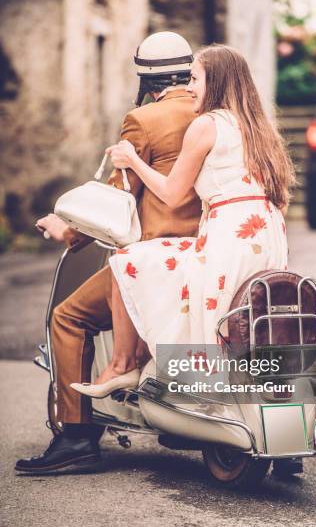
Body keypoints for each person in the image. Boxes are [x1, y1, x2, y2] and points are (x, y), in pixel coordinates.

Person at [15, 31, 202, 474]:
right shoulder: (214, 114)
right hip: (210, 255)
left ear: (147, 77)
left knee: (68, 317)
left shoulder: (144, 120)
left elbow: (119, 202)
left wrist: (68, 230)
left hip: (157, 260)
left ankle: (77, 437)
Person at [71, 44, 295, 400]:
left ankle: (125, 364)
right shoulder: (258, 126)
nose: (188, 87)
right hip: (265, 239)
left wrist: (132, 159)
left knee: (130, 259)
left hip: (229, 238)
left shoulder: (206, 124)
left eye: (194, 78)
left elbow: (173, 193)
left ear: (216, 82)